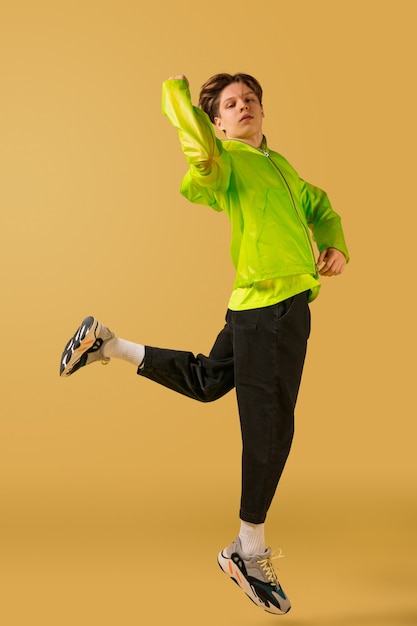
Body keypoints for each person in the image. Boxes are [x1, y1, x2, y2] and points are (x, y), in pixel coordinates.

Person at [59, 73, 349, 615]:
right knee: (271, 426)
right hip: (270, 307)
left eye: (251, 100)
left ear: (263, 111)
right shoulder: (229, 161)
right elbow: (204, 172)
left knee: (209, 380)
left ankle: (108, 344)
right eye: (231, 105)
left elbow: (320, 204)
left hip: (261, 308)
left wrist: (332, 242)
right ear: (216, 124)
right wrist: (196, 136)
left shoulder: (280, 165)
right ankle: (247, 549)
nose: (245, 107)